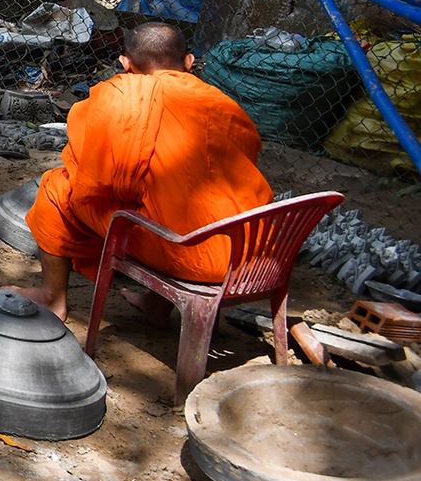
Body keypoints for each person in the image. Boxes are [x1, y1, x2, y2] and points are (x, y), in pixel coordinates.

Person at [17, 21, 272, 322]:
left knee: (56, 187)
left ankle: (52, 299)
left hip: (188, 255)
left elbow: (90, 177)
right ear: (189, 62)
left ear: (124, 63)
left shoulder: (117, 96)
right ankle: (155, 305)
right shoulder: (223, 104)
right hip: (251, 255)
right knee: (172, 198)